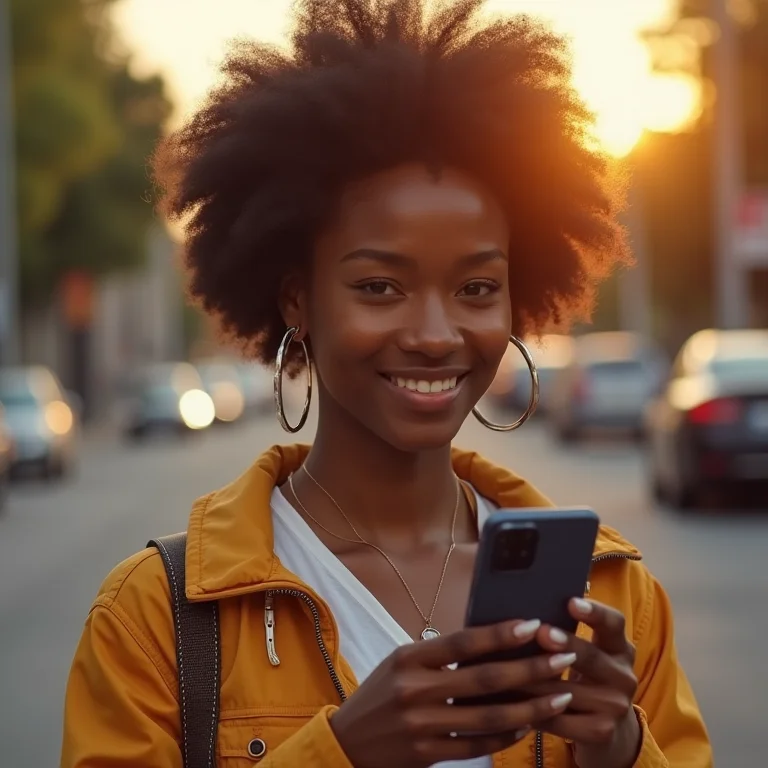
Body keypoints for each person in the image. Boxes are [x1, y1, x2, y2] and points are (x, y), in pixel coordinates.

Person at [61, 1, 712, 766]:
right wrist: (343, 752)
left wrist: (621, 747)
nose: (436, 334)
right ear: (297, 299)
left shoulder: (611, 596)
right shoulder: (155, 615)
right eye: (379, 287)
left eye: (475, 289)